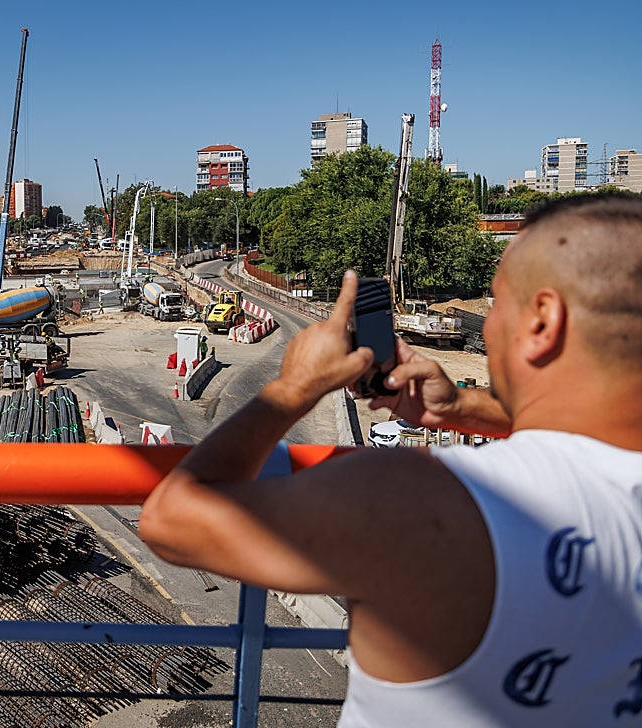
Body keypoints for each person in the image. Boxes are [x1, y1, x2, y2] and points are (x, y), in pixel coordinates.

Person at [139, 193, 642, 726]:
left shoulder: (419, 500)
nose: (488, 325)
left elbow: (170, 520)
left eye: (497, 305)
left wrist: (292, 389)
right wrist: (463, 408)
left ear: (542, 321)